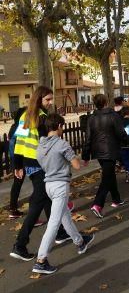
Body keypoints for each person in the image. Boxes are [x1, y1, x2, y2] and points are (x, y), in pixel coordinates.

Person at [10, 86, 69, 262]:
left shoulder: (24, 116)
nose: (50, 103)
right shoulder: (43, 119)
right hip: (41, 166)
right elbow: (49, 145)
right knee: (37, 204)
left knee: (48, 199)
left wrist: (18, 165)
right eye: (47, 100)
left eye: (51, 99)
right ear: (39, 100)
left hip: (29, 165)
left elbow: (18, 142)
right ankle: (20, 245)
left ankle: (59, 232)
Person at [33, 113, 94, 275]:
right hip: (60, 185)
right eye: (62, 126)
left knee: (65, 216)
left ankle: (80, 241)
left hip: (49, 185)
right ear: (59, 126)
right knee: (54, 222)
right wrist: (78, 160)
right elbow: (76, 165)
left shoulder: (40, 146)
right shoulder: (62, 144)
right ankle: (41, 260)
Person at [82, 94, 128, 218]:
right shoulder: (113, 116)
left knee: (110, 174)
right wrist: (127, 140)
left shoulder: (91, 118)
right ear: (106, 102)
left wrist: (85, 155)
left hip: (98, 151)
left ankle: (116, 199)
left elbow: (88, 138)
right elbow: (121, 133)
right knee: (107, 177)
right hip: (111, 150)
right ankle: (97, 204)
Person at [8, 106, 26, 219]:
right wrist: (18, 166)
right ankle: (13, 209)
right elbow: (17, 145)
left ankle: (13, 209)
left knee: (17, 184)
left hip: (16, 160)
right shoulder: (21, 127)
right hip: (20, 160)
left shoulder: (13, 127)